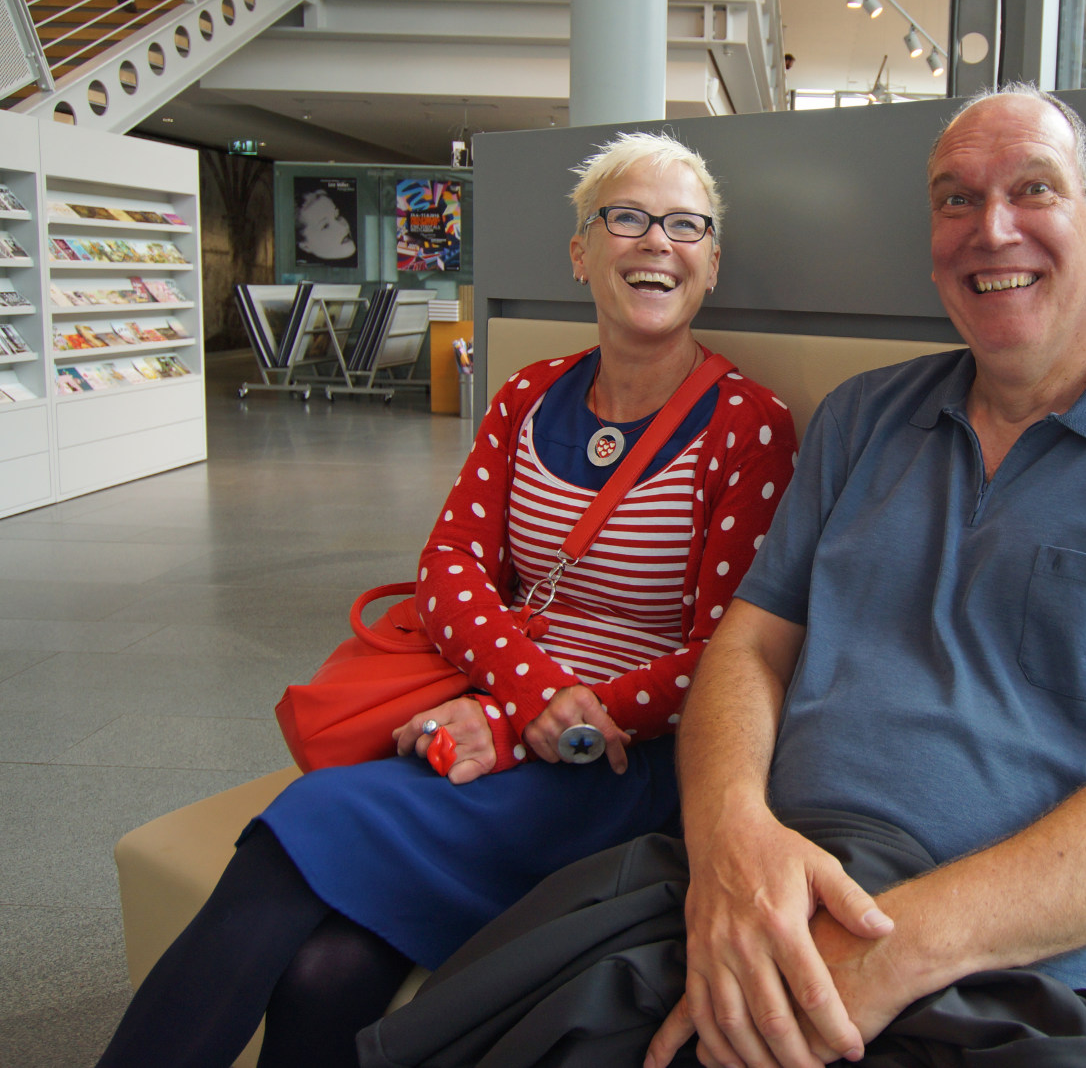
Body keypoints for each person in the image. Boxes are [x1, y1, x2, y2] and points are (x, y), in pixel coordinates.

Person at [374, 86, 1086, 1068]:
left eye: (1033, 189)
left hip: (1010, 961)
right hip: (771, 873)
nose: (991, 229)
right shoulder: (864, 419)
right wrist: (730, 844)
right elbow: (747, 650)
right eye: (956, 199)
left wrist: (889, 950)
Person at [94, 133, 798, 1068]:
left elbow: (725, 656)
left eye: (685, 225)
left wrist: (529, 725)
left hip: (625, 764)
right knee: (326, 968)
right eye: (627, 217)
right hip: (498, 711)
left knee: (304, 822)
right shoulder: (527, 396)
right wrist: (528, 697)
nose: (656, 242)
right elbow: (450, 567)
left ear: (710, 261)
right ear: (580, 251)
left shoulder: (749, 428)